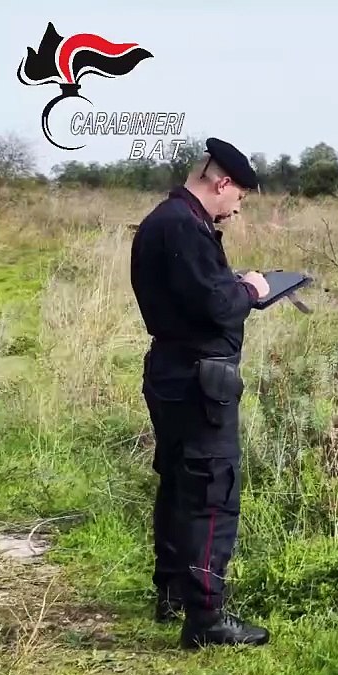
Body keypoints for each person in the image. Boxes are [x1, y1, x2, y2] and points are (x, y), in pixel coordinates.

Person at [130, 137, 271, 649]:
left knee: (178, 482)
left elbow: (194, 292)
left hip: (172, 371)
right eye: (239, 198)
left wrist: (229, 283)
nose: (237, 209)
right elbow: (218, 306)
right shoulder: (185, 227)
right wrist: (251, 289)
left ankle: (173, 592)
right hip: (197, 380)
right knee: (213, 491)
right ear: (222, 183)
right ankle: (206, 619)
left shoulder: (165, 219)